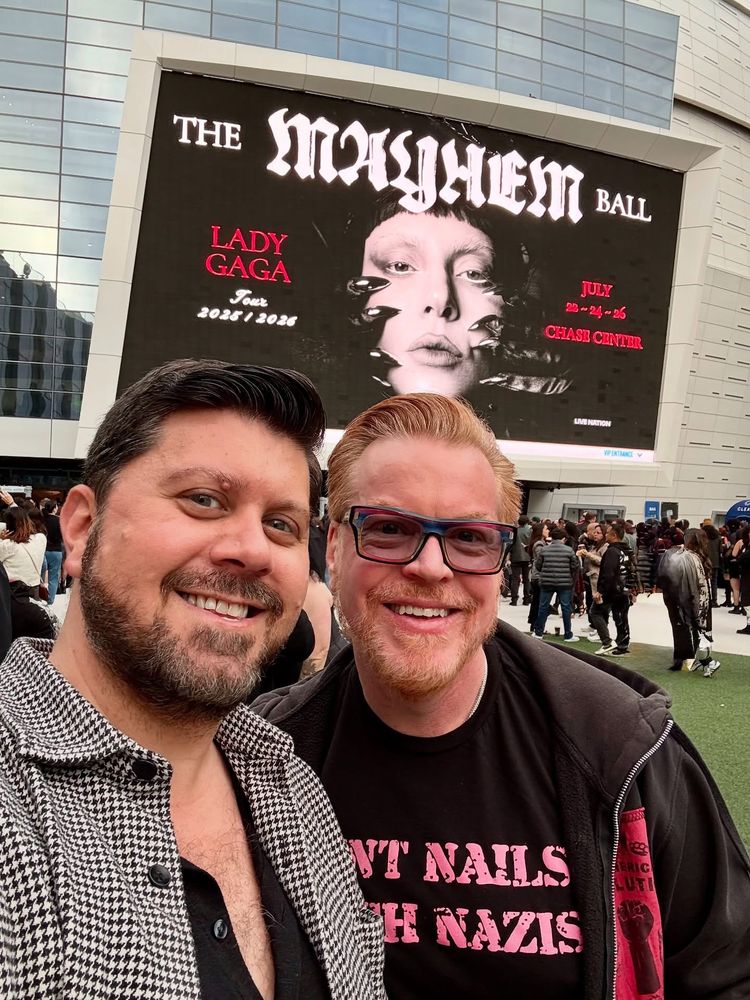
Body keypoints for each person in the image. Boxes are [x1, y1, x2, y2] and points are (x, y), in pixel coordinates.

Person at [252, 391, 750, 999]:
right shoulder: (260, 758)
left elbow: (728, 974)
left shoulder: (622, 749)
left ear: (498, 556)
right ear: (332, 548)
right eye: (388, 529)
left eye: (468, 537)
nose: (431, 568)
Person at [0, 360, 385, 999]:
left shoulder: (290, 786)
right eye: (203, 500)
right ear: (81, 527)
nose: (253, 550)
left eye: (282, 525)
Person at [658, 528, 718, 675]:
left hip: (684, 599)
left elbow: (668, 578)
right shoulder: (696, 557)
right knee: (691, 628)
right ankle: (690, 659)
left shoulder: (683, 556)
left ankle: (690, 659)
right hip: (690, 598)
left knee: (685, 628)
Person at [594, 520, 637, 656]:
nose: (605, 535)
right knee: (621, 617)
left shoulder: (612, 551)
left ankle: (608, 642)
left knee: (596, 612)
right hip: (624, 588)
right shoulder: (627, 550)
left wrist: (600, 590)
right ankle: (623, 643)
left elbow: (608, 573)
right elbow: (633, 570)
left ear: (613, 535)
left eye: (607, 533)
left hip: (614, 589)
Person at [533, 527, 580, 641]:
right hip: (564, 583)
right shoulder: (569, 550)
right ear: (564, 539)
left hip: (546, 582)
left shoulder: (544, 550)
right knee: (566, 608)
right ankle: (568, 634)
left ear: (552, 538)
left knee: (543, 607)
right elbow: (575, 566)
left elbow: (538, 566)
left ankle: (538, 632)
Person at [41, 497, 64, 604]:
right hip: (56, 551)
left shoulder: (42, 520)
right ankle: (50, 600)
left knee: (40, 576)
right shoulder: (60, 520)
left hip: (43, 550)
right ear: (54, 509)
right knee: (53, 577)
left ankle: (40, 596)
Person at [508, 514, 531, 606]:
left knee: (515, 579)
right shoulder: (530, 531)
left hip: (515, 556)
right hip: (527, 557)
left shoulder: (514, 531)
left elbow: (510, 544)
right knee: (526, 579)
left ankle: (514, 599)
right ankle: (526, 599)